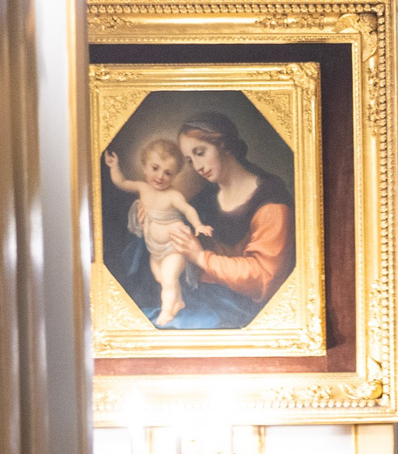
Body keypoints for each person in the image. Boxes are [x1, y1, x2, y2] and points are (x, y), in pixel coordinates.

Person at [147, 111, 295, 329]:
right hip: (198, 297)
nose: (197, 166)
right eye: (190, 160)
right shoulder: (204, 199)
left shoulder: (271, 201)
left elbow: (263, 276)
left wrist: (200, 257)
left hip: (243, 312)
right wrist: (151, 215)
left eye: (200, 153)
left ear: (223, 145)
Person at [102, 140, 213, 327]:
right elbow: (120, 182)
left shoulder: (173, 195)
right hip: (155, 250)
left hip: (173, 247)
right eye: (155, 168)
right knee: (162, 279)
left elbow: (188, 210)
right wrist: (114, 166)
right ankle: (178, 302)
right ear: (145, 167)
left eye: (168, 173)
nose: (160, 176)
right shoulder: (142, 188)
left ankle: (167, 311)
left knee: (169, 279)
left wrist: (198, 225)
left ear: (175, 176)